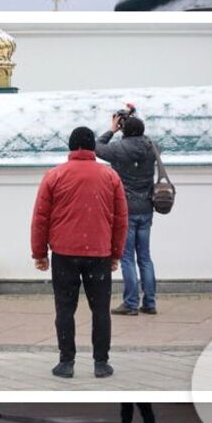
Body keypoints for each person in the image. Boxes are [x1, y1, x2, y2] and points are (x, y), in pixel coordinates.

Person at [31, 126, 128, 380]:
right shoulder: (110, 176)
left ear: (71, 147)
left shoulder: (55, 175)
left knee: (64, 309)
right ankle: (101, 362)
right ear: (94, 148)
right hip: (99, 252)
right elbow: (120, 218)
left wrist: (39, 253)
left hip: (64, 253)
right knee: (100, 310)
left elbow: (41, 217)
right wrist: (116, 252)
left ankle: (66, 361)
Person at [98, 105, 161, 315]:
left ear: (123, 129)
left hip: (125, 209)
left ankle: (131, 303)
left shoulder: (118, 149)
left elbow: (96, 147)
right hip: (146, 208)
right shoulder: (153, 147)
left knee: (126, 257)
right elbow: (143, 137)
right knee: (145, 256)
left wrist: (113, 129)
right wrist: (134, 122)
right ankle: (150, 303)